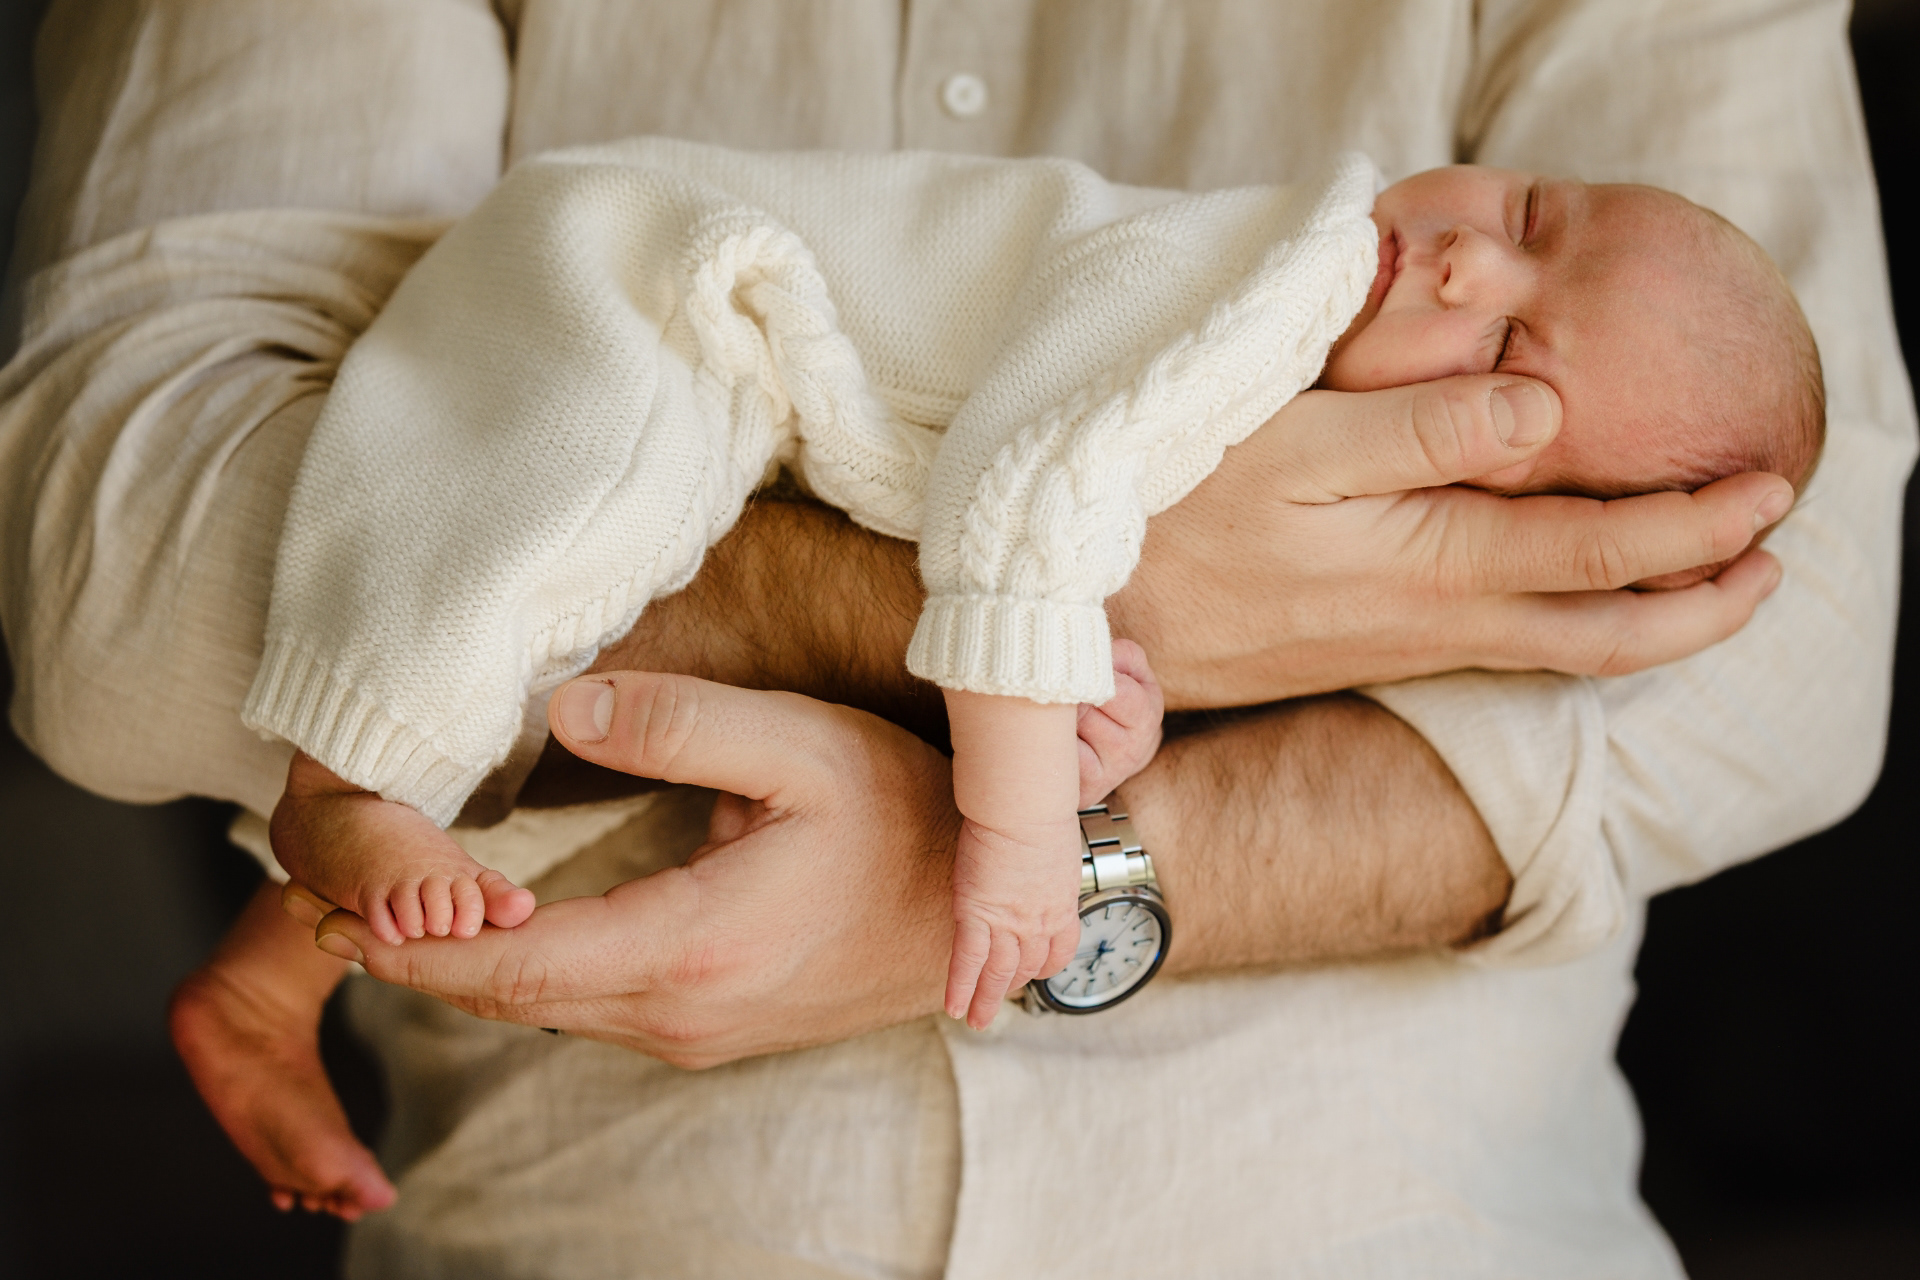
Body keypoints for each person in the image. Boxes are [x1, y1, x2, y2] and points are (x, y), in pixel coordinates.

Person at [0, 2, 1906, 1274]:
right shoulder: (1273, 286)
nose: (1477, 263)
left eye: (1510, 356)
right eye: (1528, 215)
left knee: (503, 692)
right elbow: (1027, 525)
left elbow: (1791, 644)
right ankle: (328, 849)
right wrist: (1011, 820)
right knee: (528, 530)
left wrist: (993, 865)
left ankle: (277, 951)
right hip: (652, 313)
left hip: (1411, 1225)